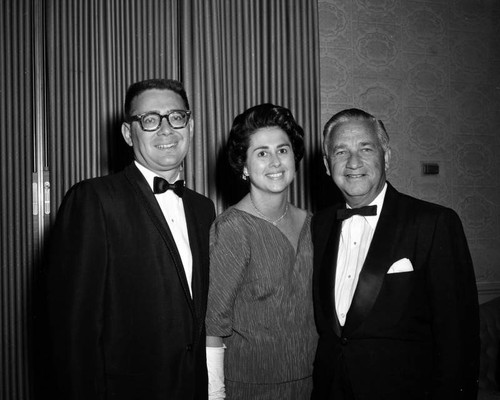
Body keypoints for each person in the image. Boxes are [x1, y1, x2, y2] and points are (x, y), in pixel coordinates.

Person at [46, 78, 215, 400]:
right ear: (128, 133)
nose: (166, 130)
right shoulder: (94, 199)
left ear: (190, 126)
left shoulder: (203, 208)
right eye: (150, 120)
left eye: (176, 117)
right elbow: (73, 333)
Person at [311, 108, 480, 399]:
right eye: (340, 152)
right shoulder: (319, 224)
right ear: (327, 165)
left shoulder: (433, 222)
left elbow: (458, 339)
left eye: (365, 148)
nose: (353, 162)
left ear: (386, 156)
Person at [205, 103, 318, 399]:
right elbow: (212, 326)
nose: (275, 162)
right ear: (244, 165)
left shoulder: (314, 224)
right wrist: (215, 394)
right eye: (262, 153)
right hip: (250, 389)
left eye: (282, 150)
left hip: (312, 383)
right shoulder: (232, 229)